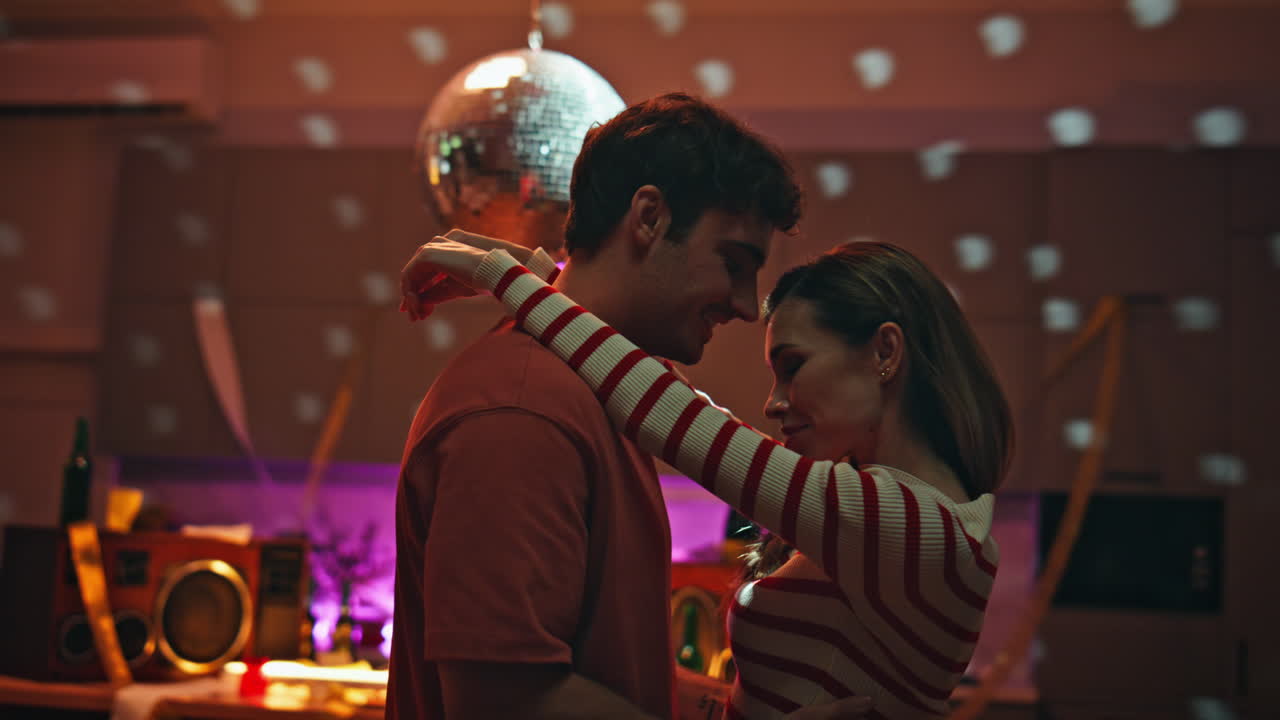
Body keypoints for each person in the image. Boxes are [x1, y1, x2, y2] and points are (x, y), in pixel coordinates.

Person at [398, 236, 1014, 719]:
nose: (775, 403)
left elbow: (672, 413)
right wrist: (547, 281)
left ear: (885, 353)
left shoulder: (912, 527)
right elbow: (673, 403)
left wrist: (506, 278)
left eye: (793, 366)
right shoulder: (906, 519)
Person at [386, 92, 813, 720]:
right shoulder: (523, 409)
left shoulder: (609, 395)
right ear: (649, 218)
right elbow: (506, 702)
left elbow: (612, 681)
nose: (748, 306)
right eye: (734, 261)